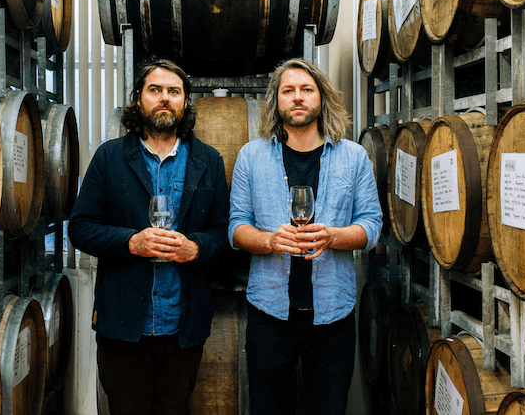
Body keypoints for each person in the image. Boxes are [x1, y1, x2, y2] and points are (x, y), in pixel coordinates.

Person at [68, 58, 230, 415]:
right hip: (124, 325)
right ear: (138, 99)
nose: (164, 98)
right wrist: (130, 242)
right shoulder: (109, 157)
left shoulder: (210, 161)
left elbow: (224, 235)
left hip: (183, 326)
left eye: (174, 91)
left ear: (186, 102)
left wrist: (195, 248)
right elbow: (79, 227)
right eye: (154, 90)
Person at [228, 58, 382, 415]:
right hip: (269, 315)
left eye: (306, 89)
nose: (297, 97)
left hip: (333, 316)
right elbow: (236, 228)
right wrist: (268, 241)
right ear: (277, 101)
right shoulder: (251, 157)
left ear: (321, 97)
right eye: (288, 90)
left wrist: (334, 236)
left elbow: (372, 225)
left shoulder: (354, 157)